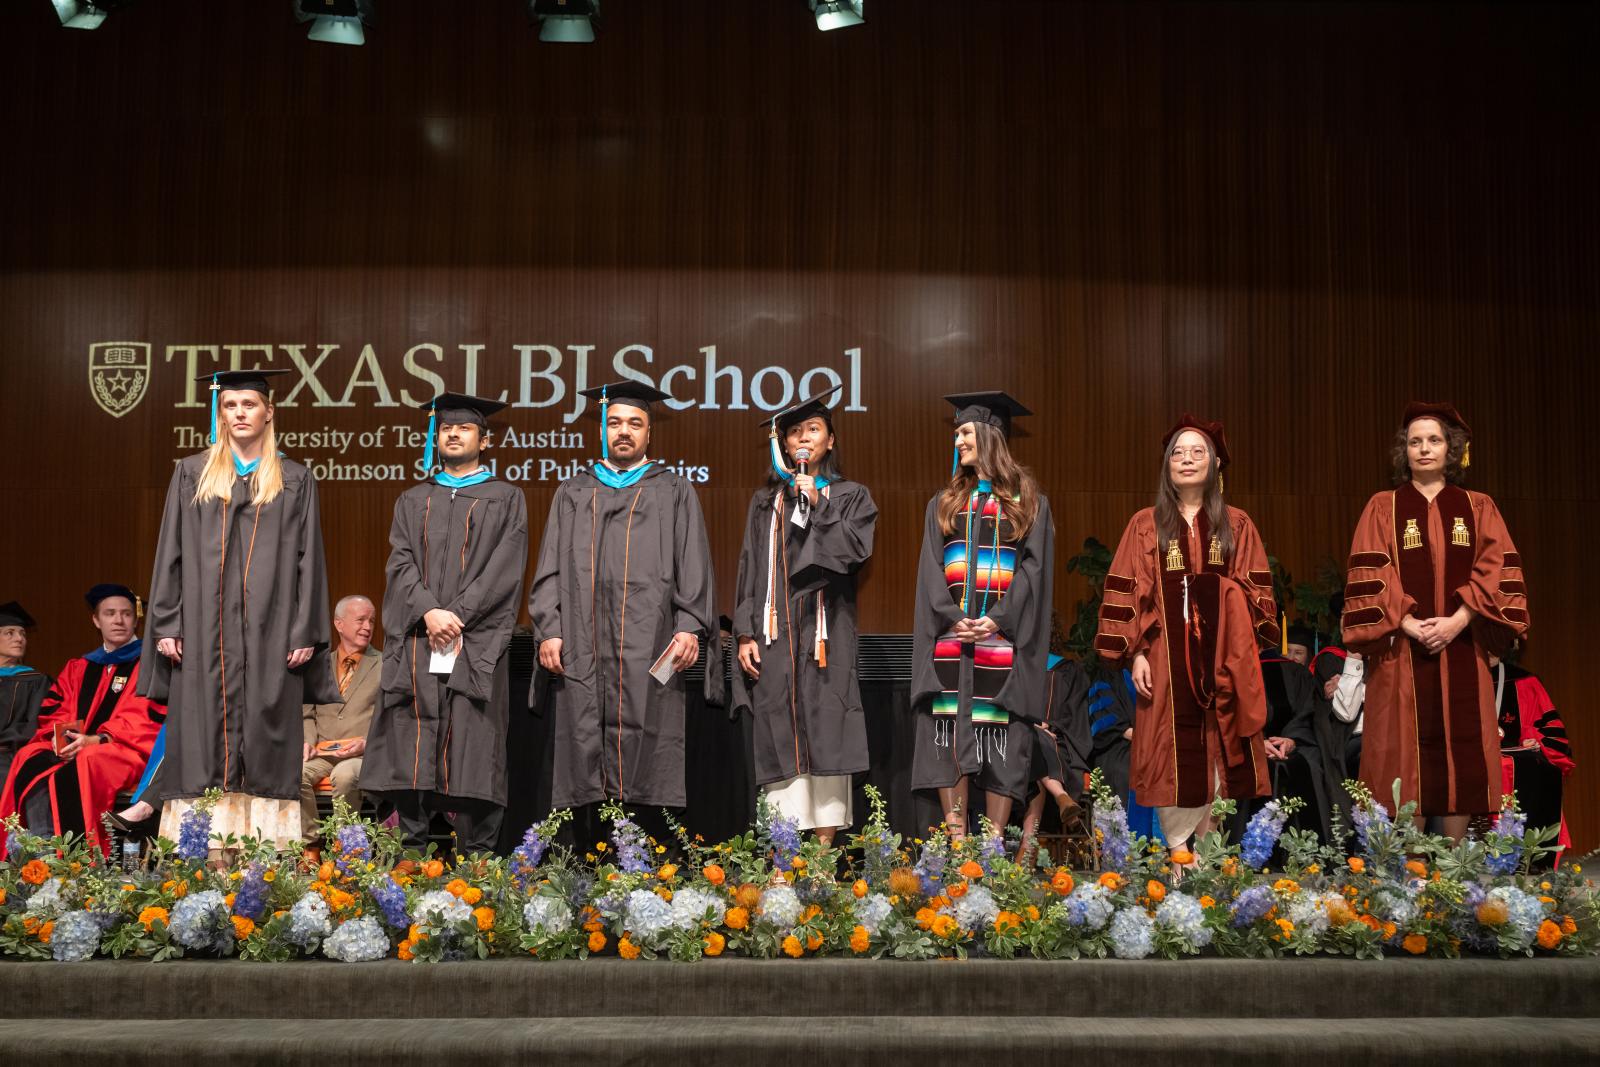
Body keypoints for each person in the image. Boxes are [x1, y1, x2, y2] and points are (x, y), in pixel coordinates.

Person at [138, 369, 336, 853]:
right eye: (231, 405)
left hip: (272, 634)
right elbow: (171, 554)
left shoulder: (294, 478)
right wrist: (166, 620)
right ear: (220, 414)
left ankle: (267, 866)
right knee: (202, 737)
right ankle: (198, 859)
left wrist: (304, 628)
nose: (241, 413)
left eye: (250, 404)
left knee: (268, 736)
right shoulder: (192, 473)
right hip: (203, 634)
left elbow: (310, 559)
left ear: (269, 412)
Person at [530, 380, 720, 815]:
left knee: (652, 726)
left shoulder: (673, 490)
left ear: (649, 433)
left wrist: (690, 625)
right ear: (602, 429)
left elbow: (695, 562)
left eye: (635, 423)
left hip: (651, 639)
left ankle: (648, 851)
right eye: (614, 422)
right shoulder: (573, 491)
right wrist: (549, 629)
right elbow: (548, 568)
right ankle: (588, 859)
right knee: (582, 732)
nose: (624, 431)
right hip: (583, 640)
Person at [1342, 402, 1528, 841]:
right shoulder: (1382, 507)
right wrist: (1407, 622)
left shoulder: (1478, 506)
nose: (1424, 449)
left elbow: (1497, 567)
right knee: (1402, 761)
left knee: (1461, 754)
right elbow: (1371, 573)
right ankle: (1407, 871)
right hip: (1400, 653)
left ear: (1452, 450)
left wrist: (1459, 620)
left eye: (1434, 440)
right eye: (1414, 442)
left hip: (1462, 649)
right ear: (1403, 452)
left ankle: (1455, 864)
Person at [1096, 415, 1277, 855]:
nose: (1187, 459)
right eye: (1177, 453)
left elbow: (1259, 596)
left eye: (1198, 451)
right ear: (1166, 466)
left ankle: (1209, 858)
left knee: (1219, 752)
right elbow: (1127, 591)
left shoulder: (1237, 524)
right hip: (1164, 662)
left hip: (1223, 665)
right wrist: (1135, 652)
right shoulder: (1145, 524)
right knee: (1167, 753)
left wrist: (1224, 603)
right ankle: (1180, 861)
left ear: (1216, 464)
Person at [363, 394, 528, 855]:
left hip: (473, 643)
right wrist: (429, 611)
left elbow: (505, 567)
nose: (453, 434)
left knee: (474, 747)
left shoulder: (506, 498)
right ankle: (412, 855)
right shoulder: (413, 499)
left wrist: (455, 617)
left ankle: (477, 863)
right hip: (420, 639)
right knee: (411, 743)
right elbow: (399, 564)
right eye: (446, 429)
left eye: (464, 429)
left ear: (485, 440)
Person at [732, 387, 877, 847]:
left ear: (830, 441)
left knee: (828, 730)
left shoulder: (852, 496)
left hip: (825, 633)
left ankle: (821, 858)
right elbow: (750, 567)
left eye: (813, 430)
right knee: (780, 733)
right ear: (783, 444)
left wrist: (819, 503)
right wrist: (744, 633)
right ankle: (783, 859)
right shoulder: (766, 502)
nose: (803, 438)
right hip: (775, 638)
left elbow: (854, 551)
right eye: (794, 431)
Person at [911, 391, 1053, 843]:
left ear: (990, 436)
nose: (958, 440)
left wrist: (997, 619)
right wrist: (951, 616)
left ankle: (990, 846)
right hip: (952, 643)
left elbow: (1033, 570)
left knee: (1003, 744)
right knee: (947, 736)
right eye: (956, 434)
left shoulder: (1028, 500)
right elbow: (931, 568)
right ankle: (957, 843)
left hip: (1002, 644)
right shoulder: (945, 501)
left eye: (965, 432)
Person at [0, 585, 163, 855]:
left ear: (136, 620)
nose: (118, 620)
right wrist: (62, 737)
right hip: (78, 745)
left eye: (125, 614)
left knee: (88, 760)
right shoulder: (80, 667)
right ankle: (39, 846)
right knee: (29, 756)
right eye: (110, 614)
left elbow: (145, 714)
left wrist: (98, 739)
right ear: (96, 621)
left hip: (126, 748)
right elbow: (57, 708)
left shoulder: (151, 665)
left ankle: (77, 857)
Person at [299, 595, 381, 856]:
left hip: (362, 754)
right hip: (323, 752)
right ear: (339, 624)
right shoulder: (318, 664)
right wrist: (308, 742)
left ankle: (346, 849)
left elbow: (391, 718)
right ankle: (310, 846)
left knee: (345, 775)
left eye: (371, 621)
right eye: (360, 620)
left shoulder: (386, 664)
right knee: (293, 774)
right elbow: (307, 713)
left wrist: (368, 743)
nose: (367, 626)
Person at [1491, 650, 1572, 863]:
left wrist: (1534, 740)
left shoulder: (1523, 681)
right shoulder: (1454, 678)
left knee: (1532, 767)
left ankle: (1524, 859)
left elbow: (1551, 734)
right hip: (1466, 755)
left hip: (1511, 756)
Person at [0, 602, 49, 788]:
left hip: (13, 756)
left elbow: (35, 725)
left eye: (22, 633)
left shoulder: (36, 681)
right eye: (10, 633)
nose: (19, 638)